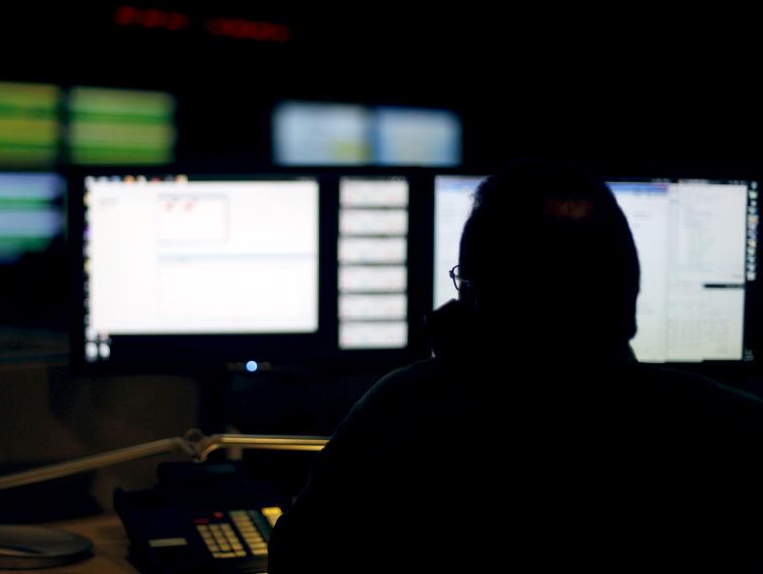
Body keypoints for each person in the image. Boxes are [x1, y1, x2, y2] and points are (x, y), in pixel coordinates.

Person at [269, 161, 763, 571]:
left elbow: (299, 562)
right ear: (628, 291)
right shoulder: (736, 427)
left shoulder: (404, 411)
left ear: (474, 296)